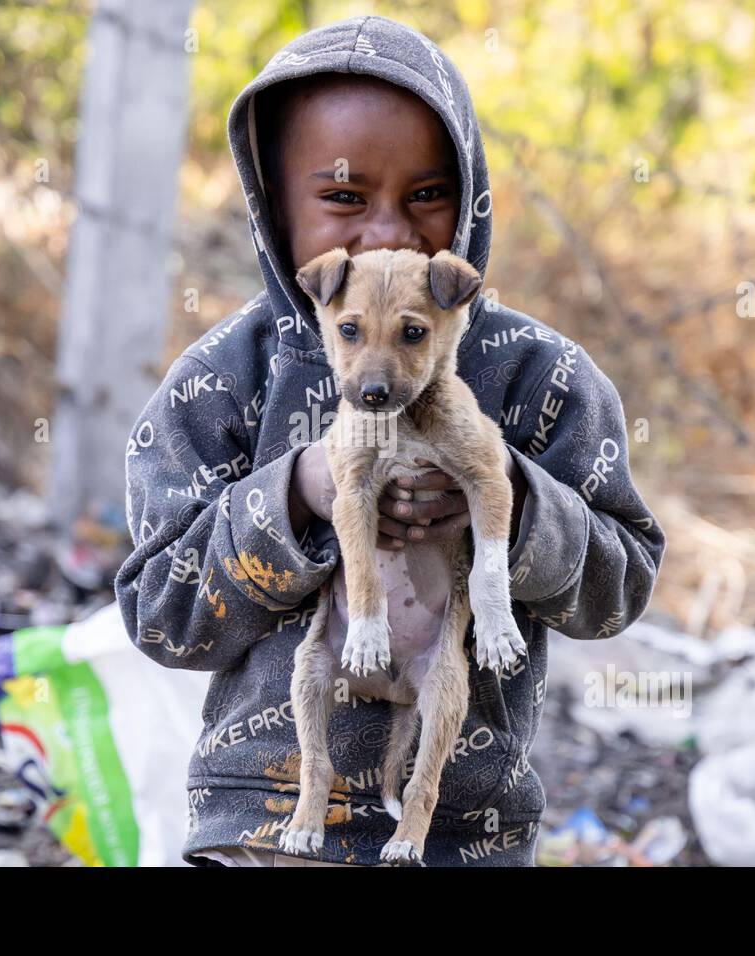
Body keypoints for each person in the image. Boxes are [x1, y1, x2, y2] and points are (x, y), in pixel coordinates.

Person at [114, 14, 666, 867]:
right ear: (273, 205)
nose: (388, 233)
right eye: (342, 197)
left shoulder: (538, 378)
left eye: (428, 195)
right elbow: (160, 615)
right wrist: (296, 494)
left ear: (473, 197)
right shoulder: (220, 381)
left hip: (463, 833)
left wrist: (511, 506)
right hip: (264, 827)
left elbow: (619, 586)